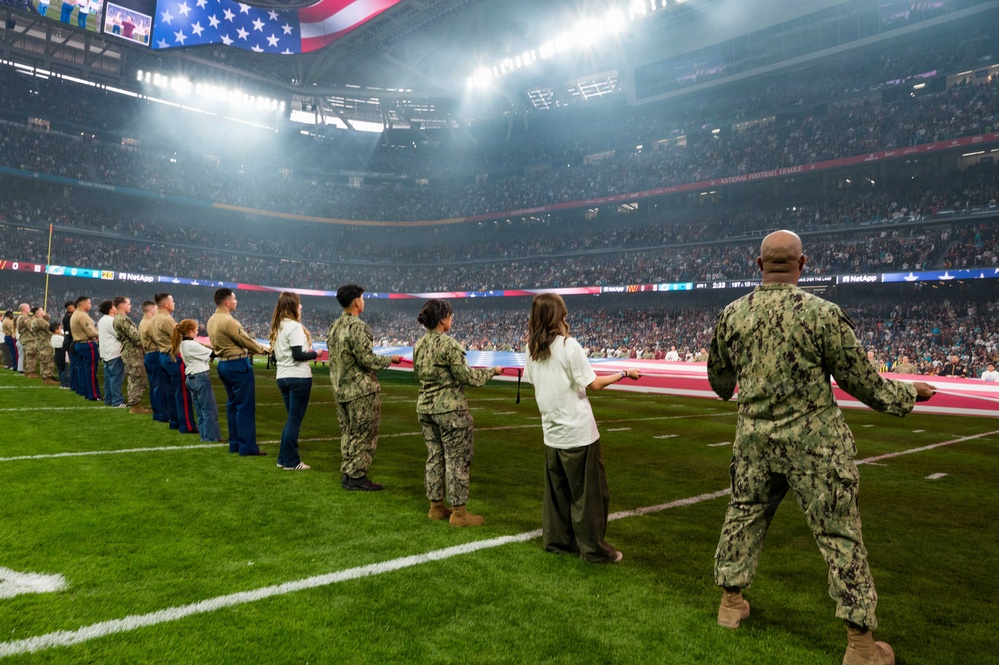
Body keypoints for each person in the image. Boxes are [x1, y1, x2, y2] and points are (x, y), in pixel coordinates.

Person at [707, 230, 935, 665]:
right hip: (816, 446)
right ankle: (861, 645)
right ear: (803, 263)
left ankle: (730, 604)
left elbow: (719, 383)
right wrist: (909, 393)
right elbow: (861, 381)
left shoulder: (731, 315)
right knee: (840, 537)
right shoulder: (822, 313)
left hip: (754, 439)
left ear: (759, 266)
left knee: (742, 516)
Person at [524, 293, 641, 563]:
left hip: (551, 433)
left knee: (557, 495)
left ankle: (557, 542)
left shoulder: (531, 348)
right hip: (577, 432)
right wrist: (625, 373)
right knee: (589, 497)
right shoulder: (568, 346)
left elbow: (537, 383)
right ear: (558, 315)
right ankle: (595, 551)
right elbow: (594, 384)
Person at [413, 299, 502, 526]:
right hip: (450, 410)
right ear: (443, 319)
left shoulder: (419, 344)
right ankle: (460, 514)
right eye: (450, 316)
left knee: (434, 457)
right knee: (457, 460)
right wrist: (493, 371)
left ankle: (436, 507)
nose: (452, 320)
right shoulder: (449, 344)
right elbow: (468, 377)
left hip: (425, 407)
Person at [326, 284, 402, 491]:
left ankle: (348, 473)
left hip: (340, 389)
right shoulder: (358, 327)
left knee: (348, 432)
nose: (364, 302)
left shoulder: (334, 326)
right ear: (357, 301)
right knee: (365, 433)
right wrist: (390, 359)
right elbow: (366, 359)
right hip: (360, 390)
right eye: (363, 298)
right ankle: (357, 476)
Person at [207, 288, 268, 456]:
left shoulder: (212, 319)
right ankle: (247, 447)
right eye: (234, 299)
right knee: (245, 407)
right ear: (227, 302)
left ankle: (234, 443)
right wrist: (265, 349)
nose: (236, 301)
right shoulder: (229, 321)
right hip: (238, 364)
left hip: (224, 365)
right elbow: (245, 340)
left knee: (232, 405)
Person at [269, 292, 318, 471]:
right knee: (294, 421)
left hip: (282, 376)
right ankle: (291, 461)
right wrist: (316, 354)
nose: (301, 307)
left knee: (291, 420)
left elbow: (274, 356)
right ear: (292, 306)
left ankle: (283, 458)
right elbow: (298, 355)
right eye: (299, 304)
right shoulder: (294, 327)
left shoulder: (278, 326)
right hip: (298, 376)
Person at [150, 293, 197, 433]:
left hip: (163, 355)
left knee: (170, 392)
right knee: (182, 392)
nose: (174, 302)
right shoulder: (166, 319)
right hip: (174, 357)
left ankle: (175, 421)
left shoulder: (154, 318)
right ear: (165, 304)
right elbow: (180, 337)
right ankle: (186, 425)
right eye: (172, 300)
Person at [173, 319, 221, 444]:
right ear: (190, 331)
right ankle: (210, 437)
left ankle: (204, 435)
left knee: (200, 409)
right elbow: (213, 353)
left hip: (191, 377)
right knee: (208, 408)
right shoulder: (191, 345)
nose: (198, 331)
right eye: (196, 329)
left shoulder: (184, 344)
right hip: (200, 377)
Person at [113, 296, 151, 414]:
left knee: (133, 378)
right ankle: (135, 406)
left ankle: (134, 403)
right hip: (133, 353)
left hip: (128, 352)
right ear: (122, 305)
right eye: (128, 304)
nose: (130, 306)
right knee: (137, 378)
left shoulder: (117, 319)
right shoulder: (123, 319)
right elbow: (135, 337)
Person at [139, 300, 166, 422]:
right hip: (154, 354)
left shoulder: (142, 322)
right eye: (156, 309)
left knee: (154, 385)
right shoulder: (149, 324)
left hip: (149, 355)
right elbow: (158, 340)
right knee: (159, 386)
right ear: (151, 310)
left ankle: (157, 412)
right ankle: (161, 413)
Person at [70, 296, 102, 401]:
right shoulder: (83, 316)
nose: (90, 305)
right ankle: (93, 394)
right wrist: (101, 333)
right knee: (90, 370)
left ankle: (83, 390)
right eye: (89, 303)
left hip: (78, 344)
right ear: (83, 304)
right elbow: (91, 332)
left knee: (82, 369)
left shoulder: (75, 314)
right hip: (87, 344)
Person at [97, 300, 125, 407]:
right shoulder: (111, 320)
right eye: (113, 306)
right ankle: (117, 401)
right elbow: (119, 334)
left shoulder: (102, 320)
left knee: (108, 378)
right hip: (114, 352)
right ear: (110, 309)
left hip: (105, 352)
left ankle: (108, 399)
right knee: (115, 378)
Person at [31, 308, 58, 386]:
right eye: (42, 310)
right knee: (47, 360)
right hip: (44, 343)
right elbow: (50, 329)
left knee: (44, 360)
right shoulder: (40, 321)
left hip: (41, 343)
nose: (44, 311)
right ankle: (47, 378)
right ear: (38, 312)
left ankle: (47, 376)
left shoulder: (36, 320)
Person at [18, 305, 38, 378]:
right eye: (28, 307)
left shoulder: (20, 317)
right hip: (28, 338)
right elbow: (31, 328)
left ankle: (27, 371)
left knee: (27, 356)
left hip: (24, 338)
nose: (29, 309)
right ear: (25, 309)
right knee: (31, 355)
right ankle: (30, 372)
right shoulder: (25, 318)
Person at [50, 322, 70, 388]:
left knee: (60, 370)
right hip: (62, 354)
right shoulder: (60, 338)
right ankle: (66, 384)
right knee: (64, 370)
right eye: (60, 328)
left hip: (57, 354)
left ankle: (62, 383)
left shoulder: (52, 337)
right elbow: (65, 344)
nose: (61, 329)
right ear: (56, 330)